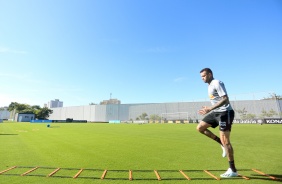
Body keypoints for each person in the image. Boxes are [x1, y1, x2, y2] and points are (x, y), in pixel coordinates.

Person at [197, 68, 238, 178]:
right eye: (201, 77)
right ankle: (220, 143)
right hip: (215, 112)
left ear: (210, 74)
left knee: (226, 141)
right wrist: (209, 109)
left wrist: (210, 108)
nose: (202, 78)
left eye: (204, 76)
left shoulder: (217, 83)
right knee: (200, 128)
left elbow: (225, 99)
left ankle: (233, 170)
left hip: (225, 113)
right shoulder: (209, 85)